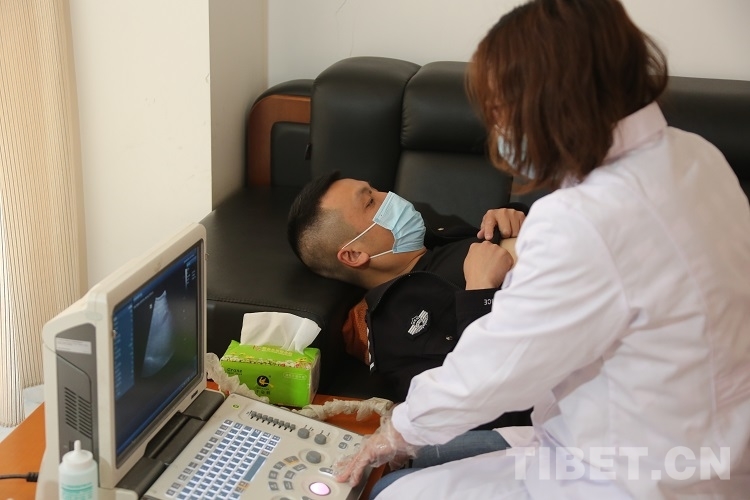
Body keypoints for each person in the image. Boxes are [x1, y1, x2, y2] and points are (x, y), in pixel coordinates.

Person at [333, 1, 750, 498]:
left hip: (636, 471)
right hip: (704, 444)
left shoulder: (586, 218)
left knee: (390, 491)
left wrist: (396, 433)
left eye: (501, 111)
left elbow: (497, 368)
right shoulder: (694, 154)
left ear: (550, 102)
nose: (498, 130)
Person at [287, 172, 529, 411]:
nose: (388, 196)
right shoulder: (392, 327)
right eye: (370, 201)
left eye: (375, 190)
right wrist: (481, 290)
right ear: (354, 254)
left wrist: (511, 216)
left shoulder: (437, 238)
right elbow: (461, 401)